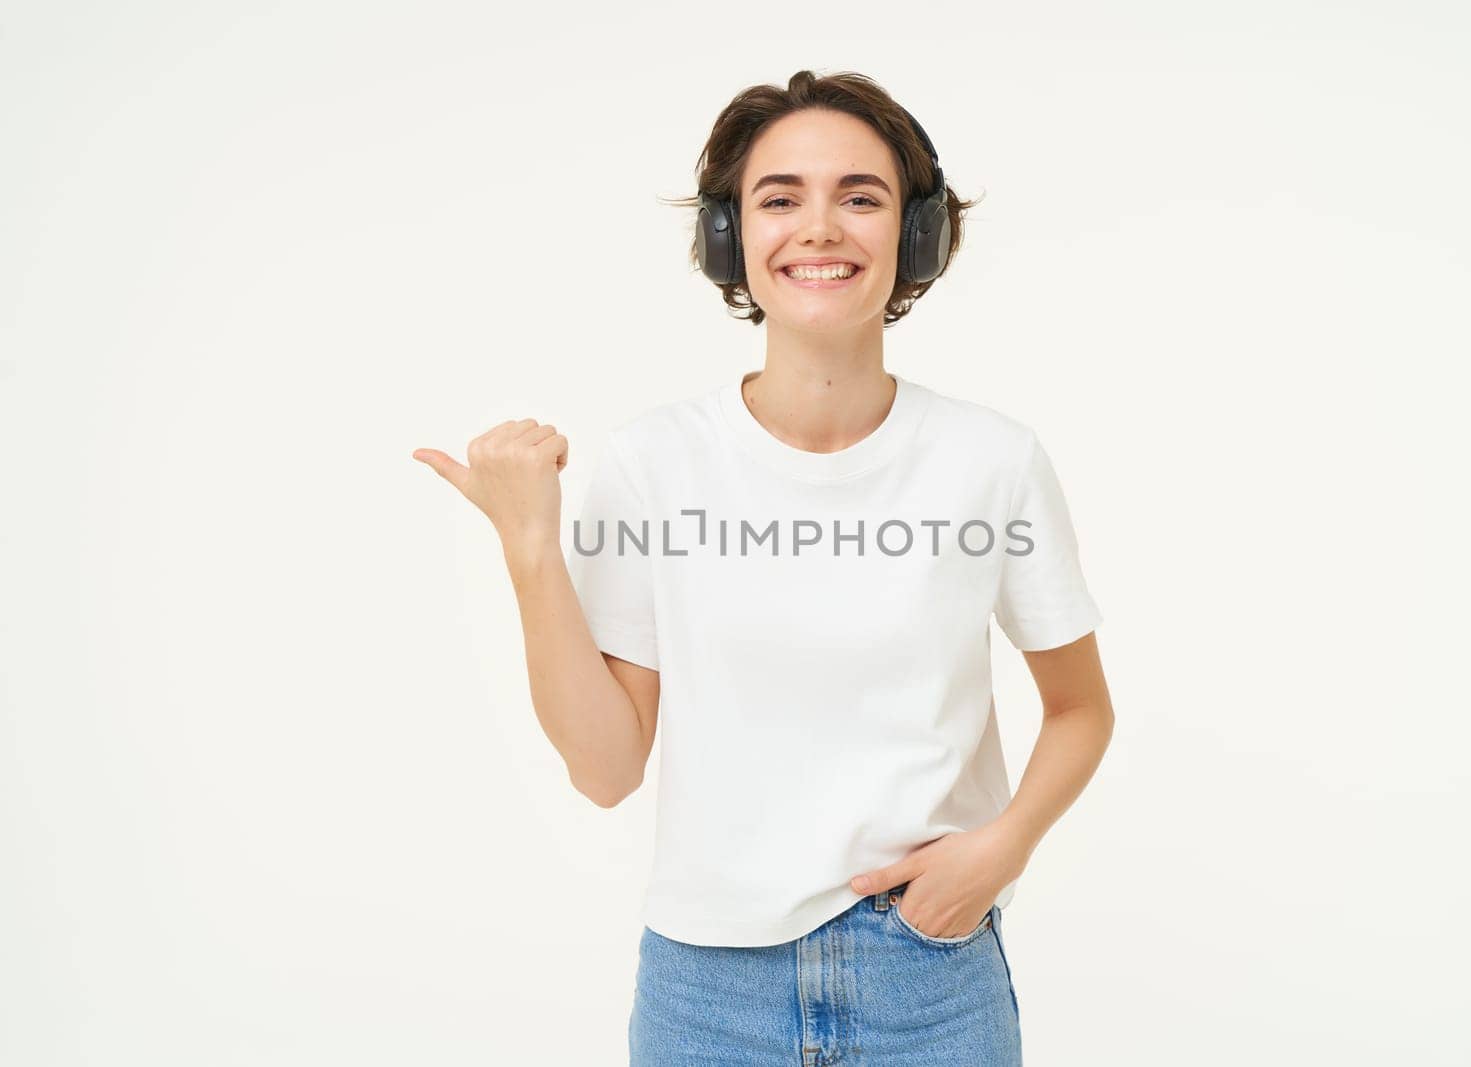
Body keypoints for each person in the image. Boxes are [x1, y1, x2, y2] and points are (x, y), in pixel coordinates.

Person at [413, 69, 1115, 1066]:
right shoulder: (655, 462)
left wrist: (998, 852)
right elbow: (606, 767)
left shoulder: (990, 461)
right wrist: (530, 547)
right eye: (779, 198)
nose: (818, 227)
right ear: (727, 236)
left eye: (858, 197)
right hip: (707, 991)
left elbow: (1082, 707)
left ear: (914, 236)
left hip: (928, 973)